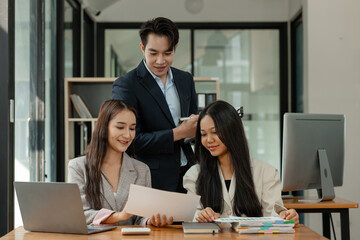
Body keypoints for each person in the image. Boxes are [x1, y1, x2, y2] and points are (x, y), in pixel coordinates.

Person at [111, 17, 198, 192]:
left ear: (175, 48)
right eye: (153, 53)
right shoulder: (126, 85)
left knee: (190, 220)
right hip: (150, 178)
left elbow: (191, 123)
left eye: (167, 53)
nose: (160, 61)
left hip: (189, 175)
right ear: (142, 48)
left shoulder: (185, 79)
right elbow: (129, 140)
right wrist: (177, 133)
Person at [183, 100, 299, 225]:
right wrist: (201, 216)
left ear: (232, 131)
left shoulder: (267, 173)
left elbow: (274, 216)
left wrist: (286, 216)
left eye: (215, 132)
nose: (209, 140)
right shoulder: (194, 175)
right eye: (203, 134)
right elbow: (191, 216)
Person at [68, 100, 173, 226]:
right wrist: (119, 216)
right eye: (120, 127)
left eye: (132, 128)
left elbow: (140, 217)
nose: (128, 135)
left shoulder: (142, 169)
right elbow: (80, 214)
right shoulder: (78, 167)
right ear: (104, 127)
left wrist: (150, 221)